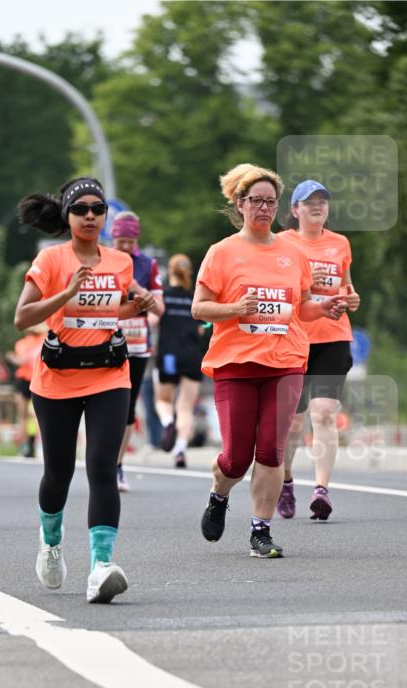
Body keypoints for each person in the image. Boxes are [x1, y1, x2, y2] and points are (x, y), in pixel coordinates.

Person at [191, 163, 347, 558]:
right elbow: (199, 308)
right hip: (236, 365)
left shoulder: (292, 253)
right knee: (237, 456)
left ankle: (261, 531)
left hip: (286, 362)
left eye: (270, 202)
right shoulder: (222, 252)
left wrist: (324, 307)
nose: (263, 208)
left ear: (279, 207)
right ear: (241, 204)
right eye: (256, 201)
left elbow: (302, 308)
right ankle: (219, 493)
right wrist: (235, 308)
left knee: (272, 450)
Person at [14, 176, 156, 603]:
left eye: (97, 209)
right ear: (68, 215)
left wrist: (138, 306)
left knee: (102, 467)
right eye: (81, 209)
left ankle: (101, 565)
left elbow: (110, 310)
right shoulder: (51, 261)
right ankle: (51, 541)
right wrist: (67, 292)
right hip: (57, 379)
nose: (90, 215)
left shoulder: (119, 263)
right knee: (59, 474)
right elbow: (23, 317)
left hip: (109, 375)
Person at [276, 180, 361, 520]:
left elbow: (347, 287)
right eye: (309, 201)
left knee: (324, 413)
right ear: (295, 210)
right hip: (294, 339)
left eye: (323, 201)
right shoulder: (281, 243)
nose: (317, 206)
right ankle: (284, 482)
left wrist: (353, 298)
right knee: (293, 423)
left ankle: (321, 490)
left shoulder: (340, 244)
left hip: (333, 338)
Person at [111, 211, 164, 492]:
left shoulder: (147, 264)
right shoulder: (103, 260)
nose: (125, 247)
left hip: (137, 346)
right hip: (105, 342)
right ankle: (104, 463)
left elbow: (159, 309)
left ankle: (118, 466)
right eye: (120, 241)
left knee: (127, 408)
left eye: (129, 241)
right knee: (105, 405)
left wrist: (139, 291)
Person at [154, 254, 205, 468]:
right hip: (192, 356)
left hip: (169, 356)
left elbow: (154, 320)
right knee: (185, 407)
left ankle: (168, 423)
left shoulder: (163, 296)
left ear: (170, 271)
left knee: (163, 401)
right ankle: (180, 450)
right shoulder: (195, 298)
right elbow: (202, 329)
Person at [6, 324, 47, 457]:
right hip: (24, 380)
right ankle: (25, 447)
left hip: (37, 378)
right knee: (23, 415)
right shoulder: (21, 343)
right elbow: (22, 361)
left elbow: (22, 360)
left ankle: (38, 446)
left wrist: (14, 358)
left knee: (38, 415)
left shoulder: (43, 338)